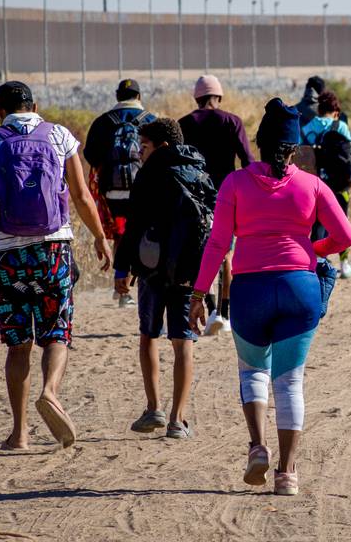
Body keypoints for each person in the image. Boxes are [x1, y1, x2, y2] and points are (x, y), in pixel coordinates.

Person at [192, 98, 351, 496]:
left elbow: (217, 244)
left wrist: (200, 293)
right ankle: (287, 474)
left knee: (253, 373)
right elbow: (347, 237)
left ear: (259, 143)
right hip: (300, 289)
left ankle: (256, 448)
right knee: (290, 383)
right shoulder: (313, 185)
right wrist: (307, 251)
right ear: (295, 148)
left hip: (250, 290)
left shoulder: (234, 183)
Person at [0, 81, 112, 450]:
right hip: (54, 250)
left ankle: (20, 432)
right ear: (35, 105)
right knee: (57, 332)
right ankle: (51, 391)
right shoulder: (60, 136)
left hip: (8, 255)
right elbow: (80, 195)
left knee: (18, 344)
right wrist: (99, 236)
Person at [113, 118, 216, 440]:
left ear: (162, 145)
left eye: (144, 147)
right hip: (189, 271)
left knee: (149, 336)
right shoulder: (199, 169)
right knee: (183, 342)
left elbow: (134, 225)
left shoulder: (150, 174)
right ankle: (178, 419)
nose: (140, 153)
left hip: (152, 268)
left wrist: (122, 269)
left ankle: (154, 406)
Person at [178, 74, 253, 334]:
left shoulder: (184, 124)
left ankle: (209, 308)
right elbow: (247, 161)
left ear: (197, 98)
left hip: (193, 199)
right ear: (218, 97)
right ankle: (224, 314)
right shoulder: (232, 122)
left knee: (202, 252)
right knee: (226, 255)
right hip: (227, 196)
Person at [83, 78, 157, 307]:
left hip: (112, 192)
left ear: (117, 97)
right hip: (142, 190)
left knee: (120, 235)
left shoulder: (103, 122)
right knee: (141, 236)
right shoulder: (151, 121)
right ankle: (133, 284)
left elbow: (90, 156)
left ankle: (121, 288)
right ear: (139, 96)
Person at [300, 90, 351, 277]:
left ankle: (316, 263)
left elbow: (302, 154)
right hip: (340, 185)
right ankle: (345, 265)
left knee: (317, 225)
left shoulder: (308, 127)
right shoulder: (340, 126)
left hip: (316, 185)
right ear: (335, 110)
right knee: (341, 223)